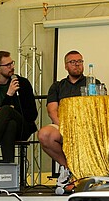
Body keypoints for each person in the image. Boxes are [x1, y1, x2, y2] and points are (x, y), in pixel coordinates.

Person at [37, 50, 100, 188]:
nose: (77, 65)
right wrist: (64, 127)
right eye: (73, 62)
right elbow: (52, 110)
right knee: (43, 134)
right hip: (62, 125)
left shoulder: (92, 82)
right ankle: (67, 167)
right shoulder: (57, 86)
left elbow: (97, 108)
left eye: (80, 61)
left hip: (85, 127)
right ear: (66, 66)